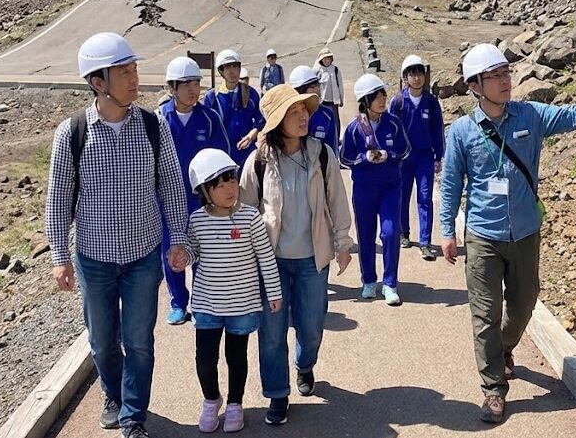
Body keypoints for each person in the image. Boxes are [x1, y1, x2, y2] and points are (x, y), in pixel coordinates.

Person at [439, 43, 576, 424]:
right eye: (496, 76)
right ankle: (493, 390)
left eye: (507, 73)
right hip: (483, 235)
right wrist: (446, 230)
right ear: (475, 85)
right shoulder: (463, 132)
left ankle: (502, 348)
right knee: (485, 314)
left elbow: (574, 115)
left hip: (525, 234)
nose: (506, 81)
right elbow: (452, 181)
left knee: (523, 305)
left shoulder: (530, 115)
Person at [45, 32, 189, 438]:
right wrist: (59, 257)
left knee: (139, 342)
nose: (134, 78)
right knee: (103, 343)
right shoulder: (71, 134)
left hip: (144, 256)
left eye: (135, 69)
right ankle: (112, 392)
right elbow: (57, 202)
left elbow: (171, 187)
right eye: (124, 71)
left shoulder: (152, 125)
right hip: (93, 260)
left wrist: (177, 237)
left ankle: (133, 417)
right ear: (97, 81)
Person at [240, 84, 353, 426]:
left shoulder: (321, 153)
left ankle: (304, 365)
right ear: (277, 121)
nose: (304, 115)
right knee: (272, 333)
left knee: (312, 326)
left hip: (312, 259)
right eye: (294, 111)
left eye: (304, 109)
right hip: (271, 261)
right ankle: (276, 393)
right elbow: (246, 209)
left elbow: (337, 199)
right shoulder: (259, 160)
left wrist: (343, 241)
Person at [168, 149, 283, 433]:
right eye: (219, 184)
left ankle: (234, 404)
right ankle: (211, 400)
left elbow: (265, 256)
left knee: (236, 357)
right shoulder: (196, 220)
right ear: (204, 191)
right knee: (205, 359)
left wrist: (274, 292)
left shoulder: (250, 218)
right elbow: (195, 252)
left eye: (231, 180)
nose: (230, 188)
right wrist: (185, 257)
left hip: (242, 305)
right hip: (207, 304)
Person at [158, 57, 231, 325]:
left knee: (204, 250)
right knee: (172, 252)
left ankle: (203, 302)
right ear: (172, 88)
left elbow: (223, 155)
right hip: (167, 200)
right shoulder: (159, 120)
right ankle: (178, 302)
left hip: (200, 199)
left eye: (196, 83)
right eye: (186, 83)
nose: (193, 89)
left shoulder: (209, 118)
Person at [340, 74, 411, 306]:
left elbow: (405, 149)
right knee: (366, 234)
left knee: (390, 233)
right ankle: (369, 280)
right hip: (364, 189)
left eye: (383, 94)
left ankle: (390, 283)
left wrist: (389, 155)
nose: (383, 99)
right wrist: (364, 157)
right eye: (377, 96)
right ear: (365, 100)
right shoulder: (353, 129)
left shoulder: (393, 123)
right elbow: (344, 157)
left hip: (391, 186)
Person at [388, 55, 444, 262]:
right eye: (412, 73)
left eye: (420, 73)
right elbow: (390, 130)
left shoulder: (431, 102)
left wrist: (439, 156)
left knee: (424, 198)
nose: (417, 78)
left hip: (425, 158)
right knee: (402, 195)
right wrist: (392, 155)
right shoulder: (398, 102)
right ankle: (404, 233)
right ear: (405, 77)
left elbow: (438, 130)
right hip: (403, 159)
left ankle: (425, 242)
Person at [203, 49, 265, 168]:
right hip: (221, 156)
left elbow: (260, 121)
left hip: (247, 154)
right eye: (227, 67)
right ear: (221, 71)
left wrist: (251, 136)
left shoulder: (251, 94)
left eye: (235, 66)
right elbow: (207, 127)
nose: (233, 71)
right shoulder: (212, 97)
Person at [288, 65, 339, 154]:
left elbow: (333, 149)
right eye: (312, 87)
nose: (318, 89)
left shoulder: (327, 115)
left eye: (317, 85)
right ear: (300, 91)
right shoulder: (287, 115)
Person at [313, 47, 344, 137]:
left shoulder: (335, 70)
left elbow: (340, 85)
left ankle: (336, 138)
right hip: (322, 101)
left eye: (329, 58)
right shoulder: (317, 71)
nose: (327, 60)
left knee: (335, 120)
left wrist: (341, 99)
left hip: (333, 101)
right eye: (325, 58)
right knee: (322, 120)